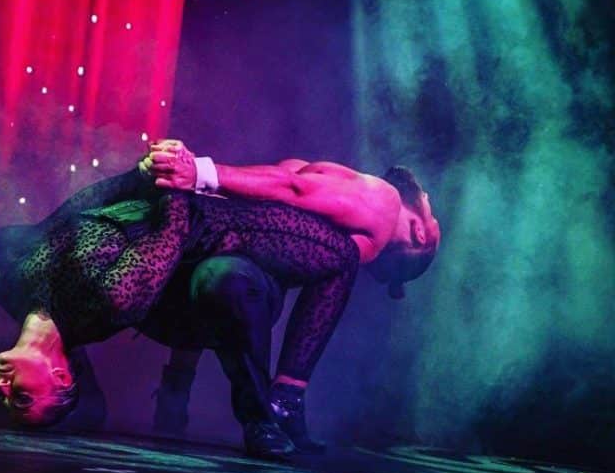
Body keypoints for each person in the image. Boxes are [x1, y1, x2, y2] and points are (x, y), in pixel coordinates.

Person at [0, 166, 362, 459]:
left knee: (4, 241)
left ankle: (276, 406)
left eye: (8, 399)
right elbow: (174, 227)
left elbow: (72, 215)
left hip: (151, 211)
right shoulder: (112, 300)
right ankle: (282, 403)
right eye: (21, 398)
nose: (3, 389)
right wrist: (176, 175)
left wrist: (139, 172)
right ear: (60, 375)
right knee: (342, 254)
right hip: (206, 225)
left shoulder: (9, 286)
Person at [143, 138, 441, 451]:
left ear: (420, 234)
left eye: (433, 213)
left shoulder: (377, 200)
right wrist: (198, 173)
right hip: (214, 254)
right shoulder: (370, 199)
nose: (428, 198)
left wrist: (199, 176)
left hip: (210, 260)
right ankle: (280, 403)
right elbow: (288, 188)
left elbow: (289, 187)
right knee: (232, 273)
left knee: (227, 276)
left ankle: (181, 394)